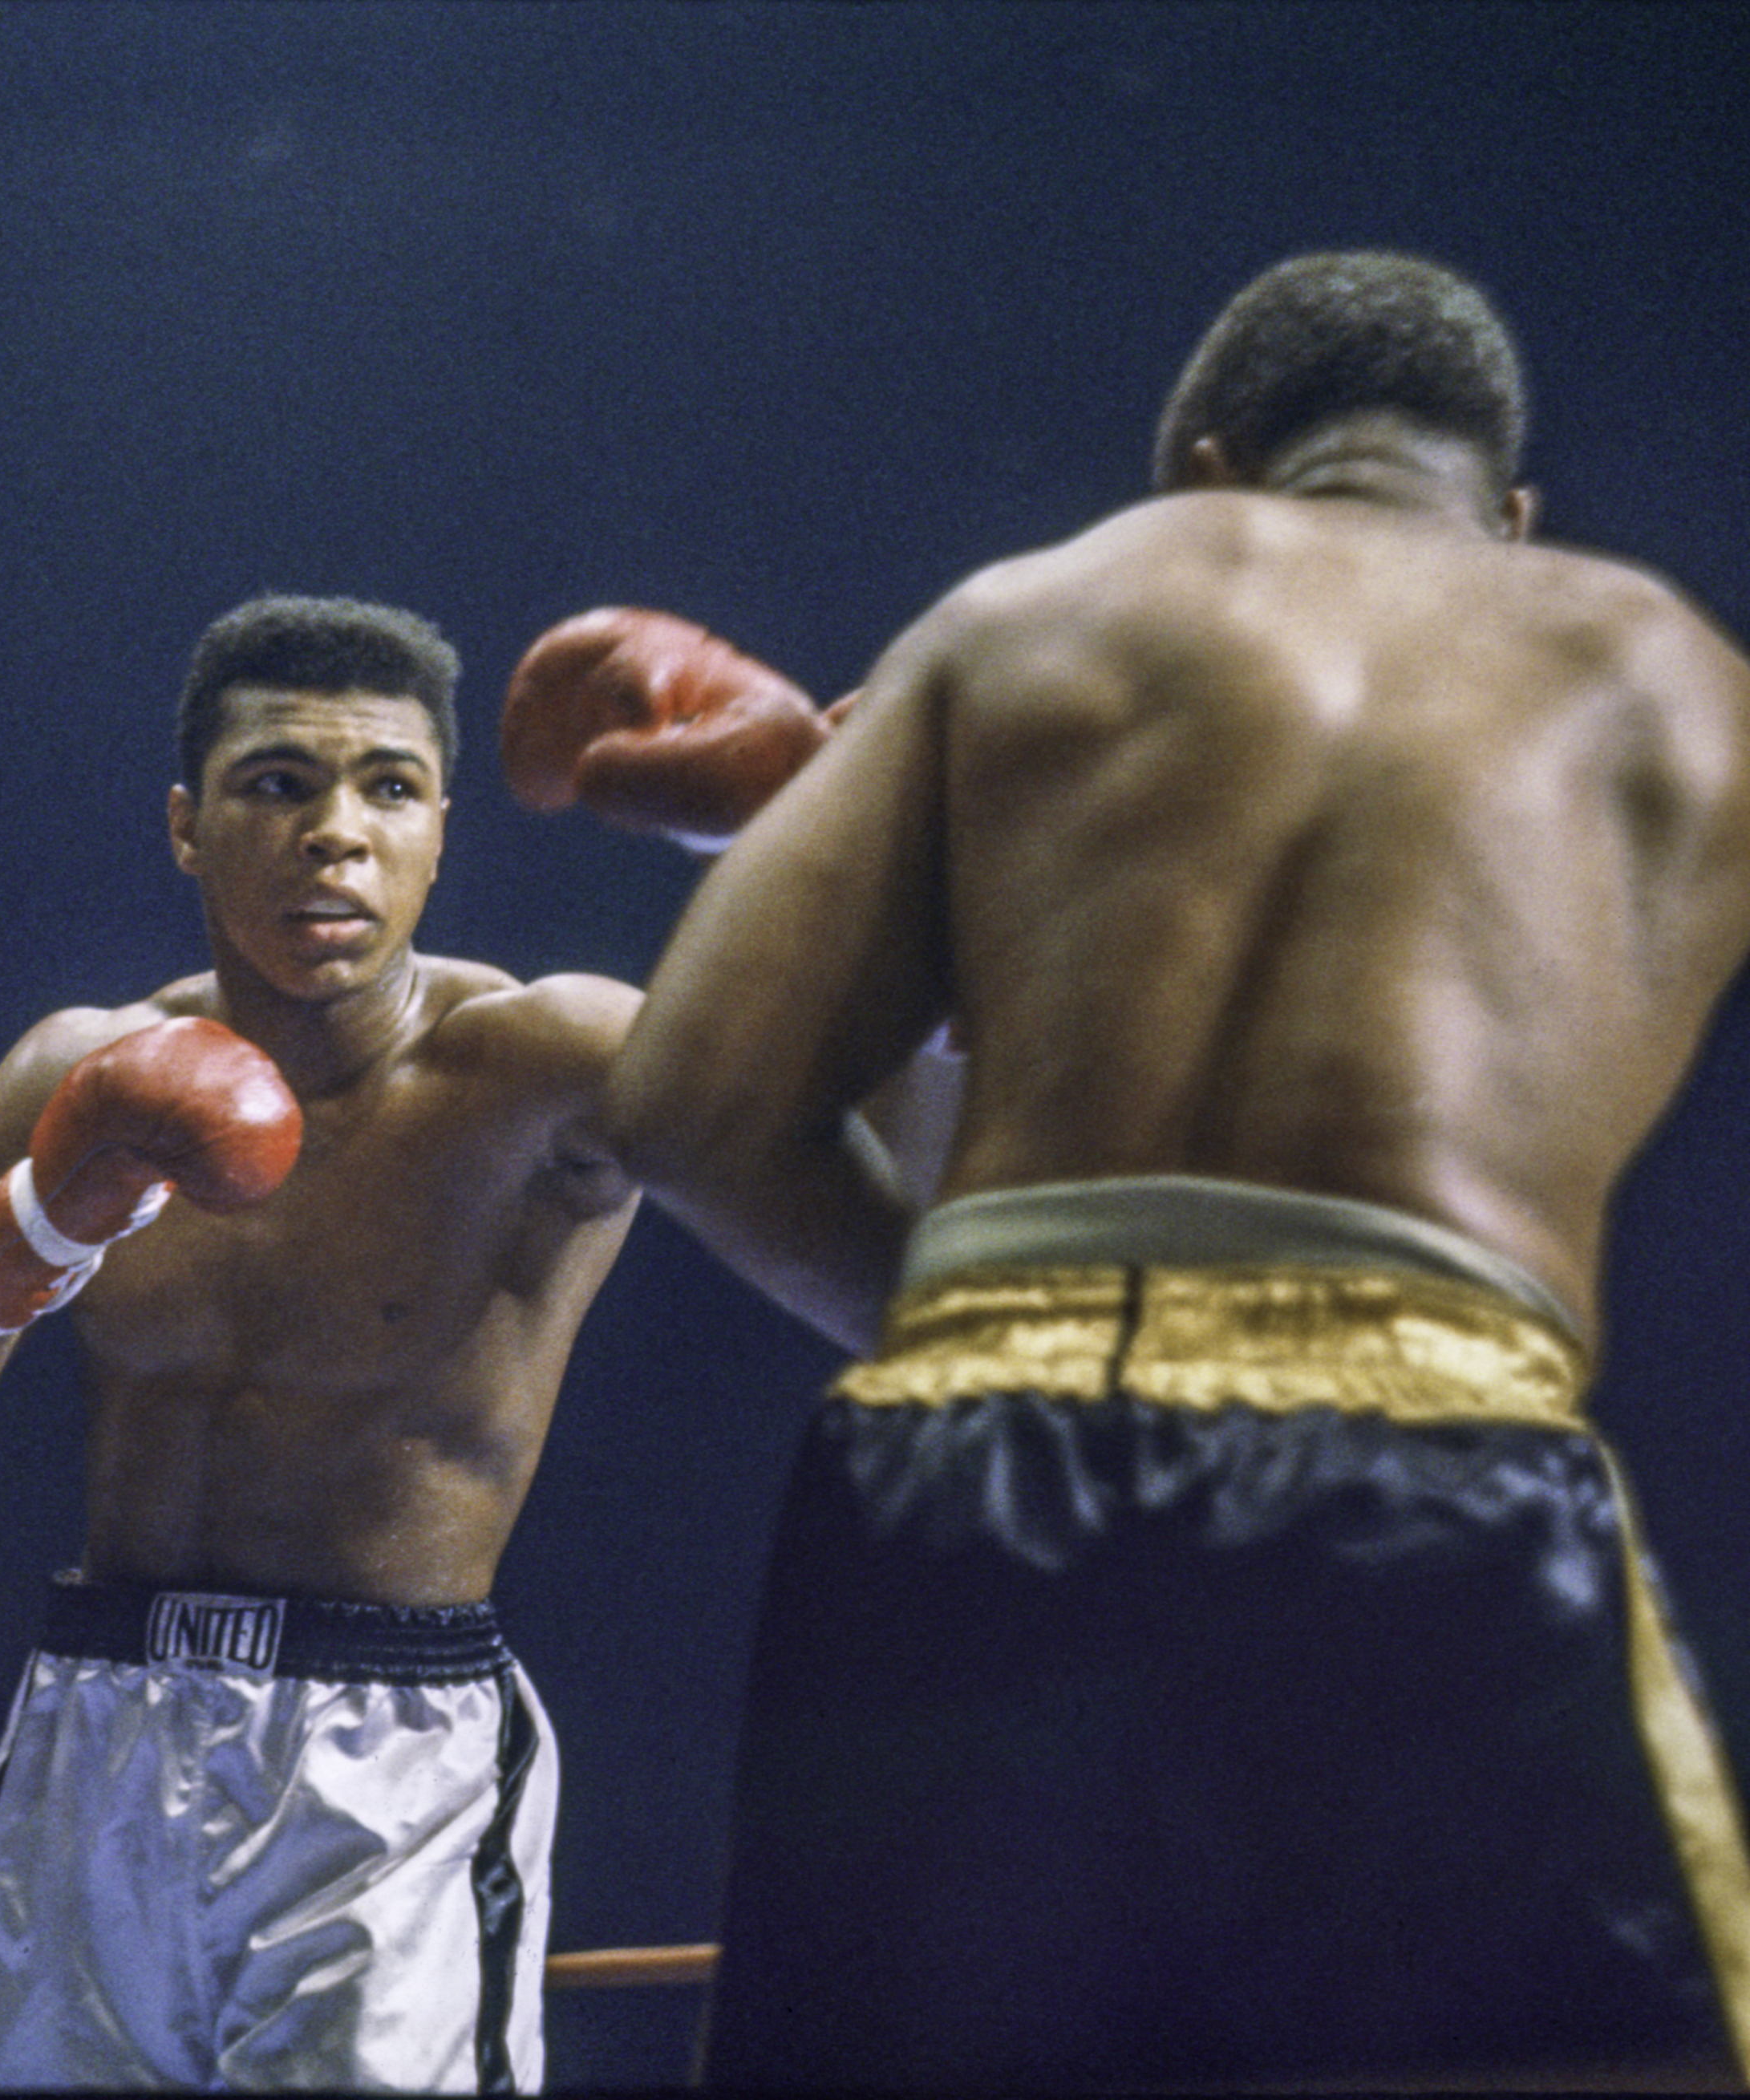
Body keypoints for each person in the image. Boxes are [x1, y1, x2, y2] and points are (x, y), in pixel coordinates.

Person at [603, 250, 1750, 2087]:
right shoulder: (1676, 680)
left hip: (970, 1466)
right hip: (1426, 1465)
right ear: (1513, 513)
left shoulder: (1037, 608)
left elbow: (679, 1104)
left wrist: (997, 1316)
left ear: (1204, 471)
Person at [0, 591, 847, 2090]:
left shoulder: (552, 1067)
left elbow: (893, 1212)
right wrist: (34, 1228)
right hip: (92, 1737)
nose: (334, 832)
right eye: (278, 784)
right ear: (185, 826)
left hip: (391, 1767)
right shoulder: (72, 1070)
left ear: (441, 833)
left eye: (389, 787)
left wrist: (820, 852)